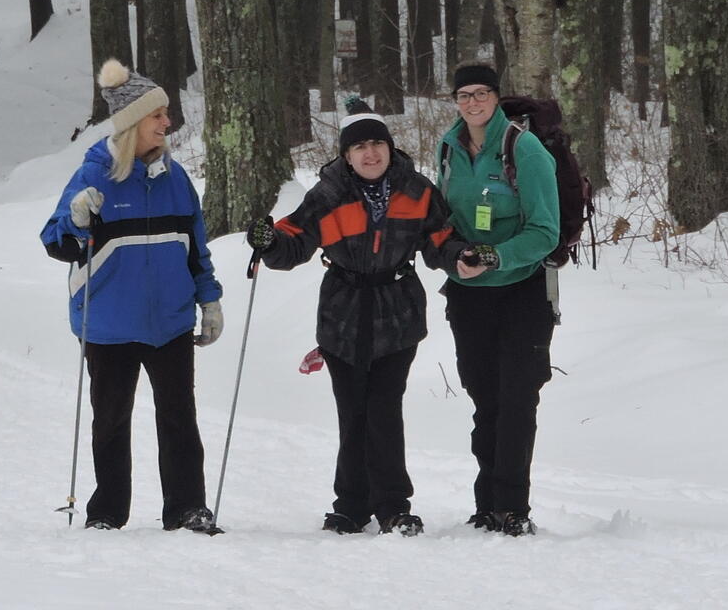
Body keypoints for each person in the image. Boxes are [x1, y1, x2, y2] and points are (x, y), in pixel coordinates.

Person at [246, 97, 467, 536]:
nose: (371, 154)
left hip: (397, 312)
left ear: (389, 147)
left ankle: (393, 507)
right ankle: (349, 506)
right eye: (360, 147)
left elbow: (442, 240)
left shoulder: (417, 190)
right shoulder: (328, 194)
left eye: (377, 144)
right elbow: (293, 241)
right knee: (353, 411)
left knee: (383, 409)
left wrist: (463, 256)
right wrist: (268, 241)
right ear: (345, 155)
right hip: (342, 313)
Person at [40, 58, 224, 534]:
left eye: (165, 114)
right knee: (111, 422)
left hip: (169, 322)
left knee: (180, 419)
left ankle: (187, 509)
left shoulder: (176, 180)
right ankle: (106, 513)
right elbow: (55, 242)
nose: (168, 122)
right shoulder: (94, 177)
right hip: (108, 325)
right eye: (157, 115)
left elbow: (195, 249)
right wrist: (77, 221)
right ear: (132, 125)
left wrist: (209, 299)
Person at [437, 62, 560, 536]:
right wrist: (453, 257)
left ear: (496, 96)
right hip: (468, 296)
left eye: (481, 92)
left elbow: (545, 231)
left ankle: (512, 506)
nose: (472, 102)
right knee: (484, 399)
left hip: (522, 292)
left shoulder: (522, 149)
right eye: (463, 94)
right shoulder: (448, 147)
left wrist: (496, 257)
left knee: (516, 400)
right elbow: (445, 218)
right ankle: (486, 501)